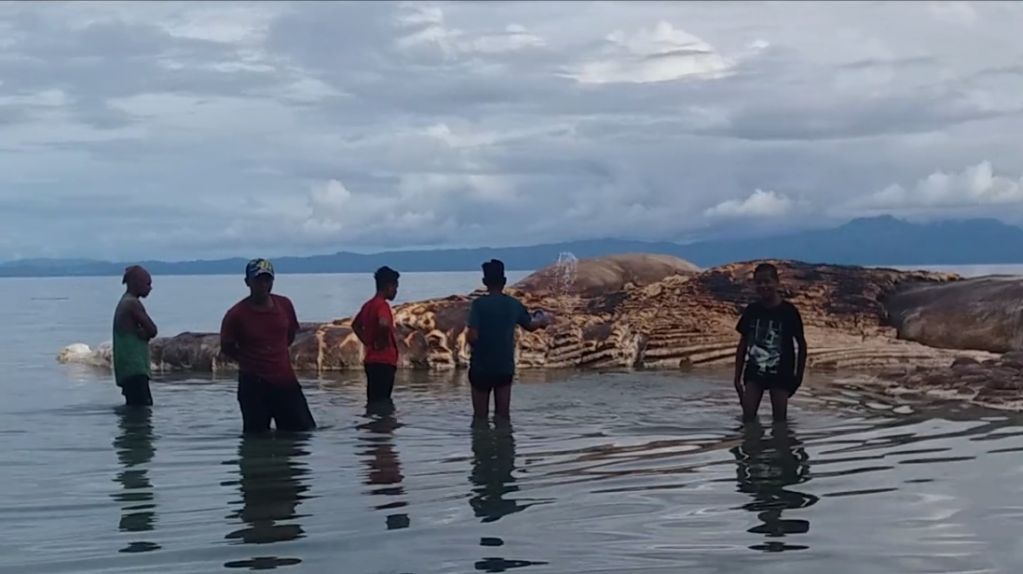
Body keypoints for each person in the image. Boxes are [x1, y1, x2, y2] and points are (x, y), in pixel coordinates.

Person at [220, 259, 316, 434]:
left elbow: (290, 334)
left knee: (303, 432)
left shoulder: (284, 305)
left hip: (284, 381)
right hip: (253, 385)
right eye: (258, 280)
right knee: (256, 438)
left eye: (267, 280)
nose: (263, 285)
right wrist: (251, 360)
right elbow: (227, 347)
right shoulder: (236, 314)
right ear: (247, 282)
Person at [466, 259, 550, 420]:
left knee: (480, 417)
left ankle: (481, 443)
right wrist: (542, 319)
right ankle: (504, 443)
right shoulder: (513, 304)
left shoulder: (479, 304)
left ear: (484, 282)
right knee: (503, 415)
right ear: (504, 281)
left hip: (481, 367)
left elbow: (472, 336)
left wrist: (478, 346)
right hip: (504, 367)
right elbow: (531, 325)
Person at [733, 263, 808, 422]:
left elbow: (801, 345)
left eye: (767, 281)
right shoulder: (752, 311)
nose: (763, 286)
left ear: (776, 282)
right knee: (747, 417)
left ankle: (782, 446)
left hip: (781, 373)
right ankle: (751, 445)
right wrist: (737, 378)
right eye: (759, 282)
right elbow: (742, 344)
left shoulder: (789, 312)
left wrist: (798, 377)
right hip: (754, 371)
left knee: (780, 421)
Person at [352, 266, 401, 405]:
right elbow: (384, 323)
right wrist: (381, 341)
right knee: (383, 401)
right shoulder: (382, 306)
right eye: (395, 287)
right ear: (388, 286)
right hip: (384, 361)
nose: (396, 291)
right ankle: (382, 426)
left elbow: (355, 325)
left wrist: (367, 342)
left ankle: (373, 425)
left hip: (371, 360)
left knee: (373, 400)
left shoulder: (368, 305)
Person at [112, 265, 158, 407]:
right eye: (147, 284)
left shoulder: (124, 302)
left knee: (134, 410)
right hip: (135, 369)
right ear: (136, 283)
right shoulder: (132, 304)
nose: (150, 288)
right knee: (143, 408)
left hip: (126, 369)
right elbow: (152, 330)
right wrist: (145, 334)